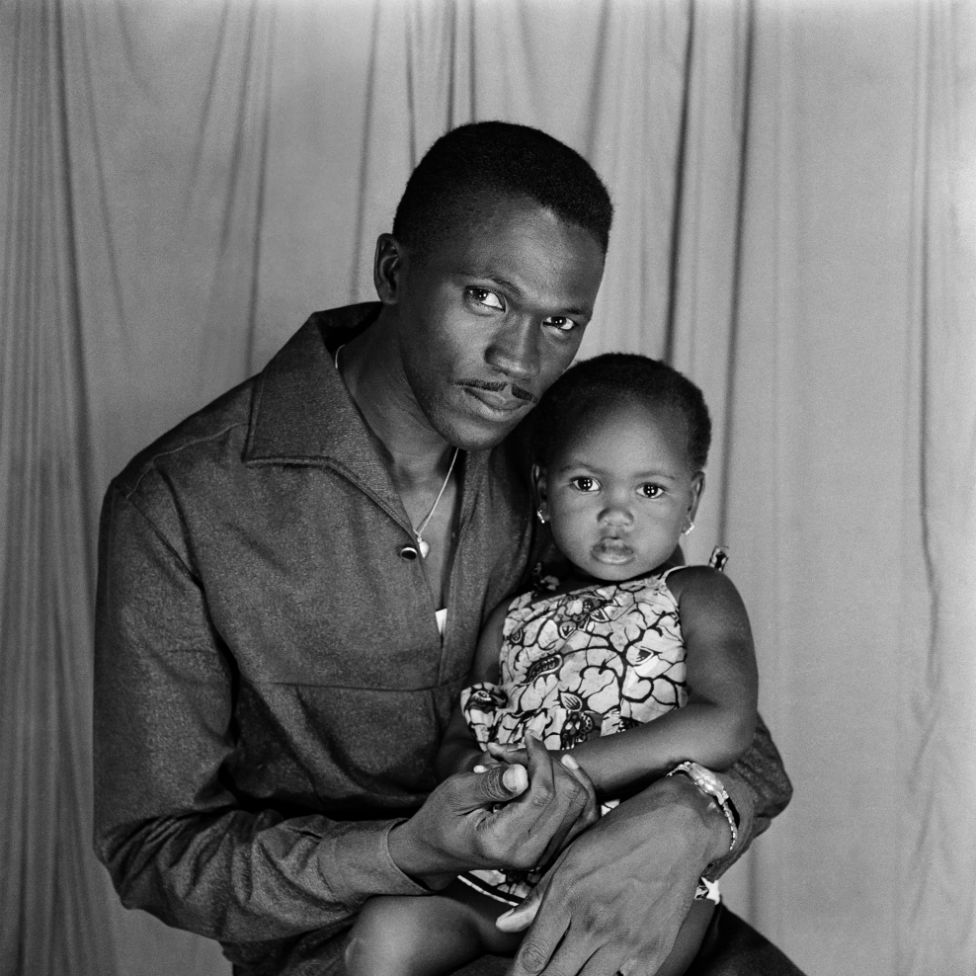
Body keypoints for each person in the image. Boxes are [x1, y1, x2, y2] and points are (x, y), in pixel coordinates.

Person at [94, 121, 801, 976]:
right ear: (395, 271)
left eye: (562, 321)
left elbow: (732, 727)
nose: (520, 362)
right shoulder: (181, 502)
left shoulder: (569, 465)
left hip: (605, 912)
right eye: (488, 299)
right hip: (361, 947)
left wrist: (693, 816)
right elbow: (155, 845)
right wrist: (399, 852)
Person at [342, 353, 757, 976]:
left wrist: (568, 773)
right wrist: (496, 786)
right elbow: (469, 730)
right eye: (586, 484)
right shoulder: (514, 616)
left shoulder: (695, 594)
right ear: (542, 488)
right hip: (495, 869)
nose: (617, 515)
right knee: (381, 937)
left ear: (691, 497)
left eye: (650, 490)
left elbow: (724, 723)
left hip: (629, 880)